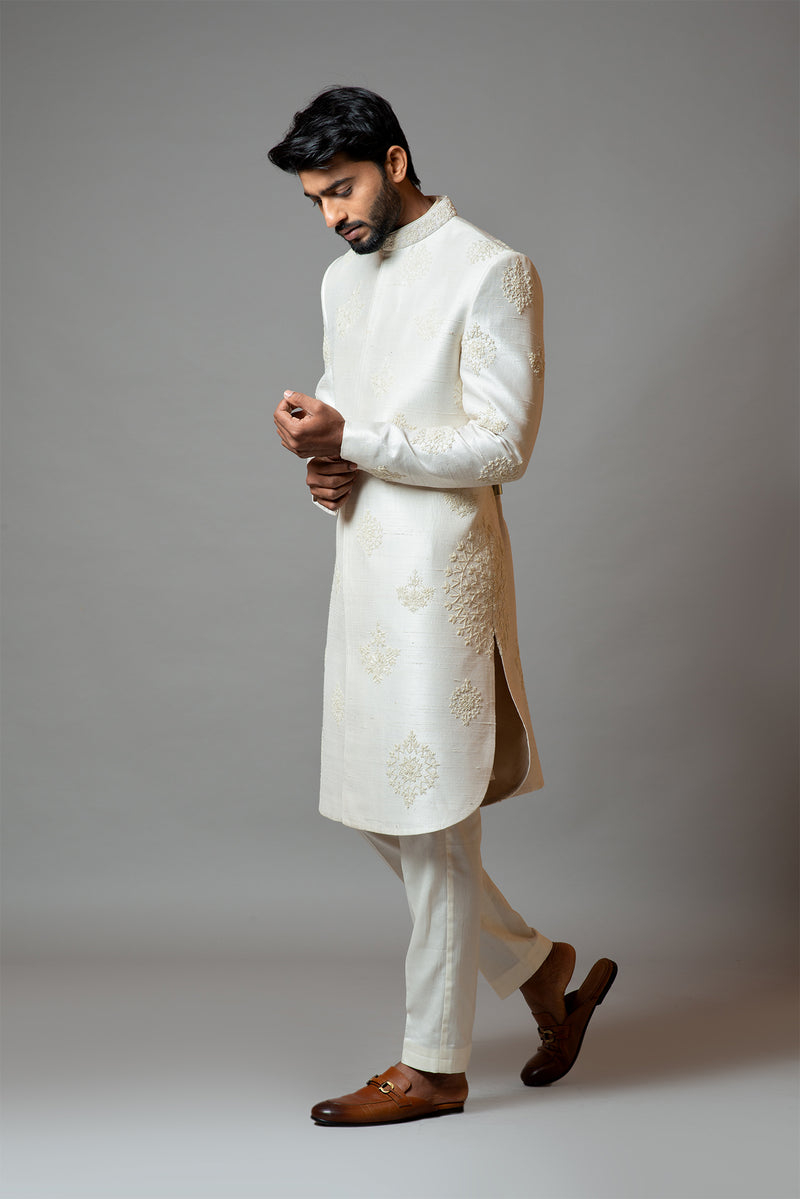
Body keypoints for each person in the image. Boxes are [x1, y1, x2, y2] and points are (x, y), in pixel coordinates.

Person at [269, 86, 616, 1126]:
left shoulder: (491, 270)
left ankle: (433, 1065)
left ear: (395, 160)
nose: (332, 215)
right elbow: (356, 420)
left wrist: (355, 439)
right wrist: (323, 465)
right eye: (315, 200)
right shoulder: (341, 280)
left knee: (437, 817)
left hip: (446, 580)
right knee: (385, 808)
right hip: (363, 571)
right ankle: (538, 965)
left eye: (342, 188)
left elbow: (503, 445)